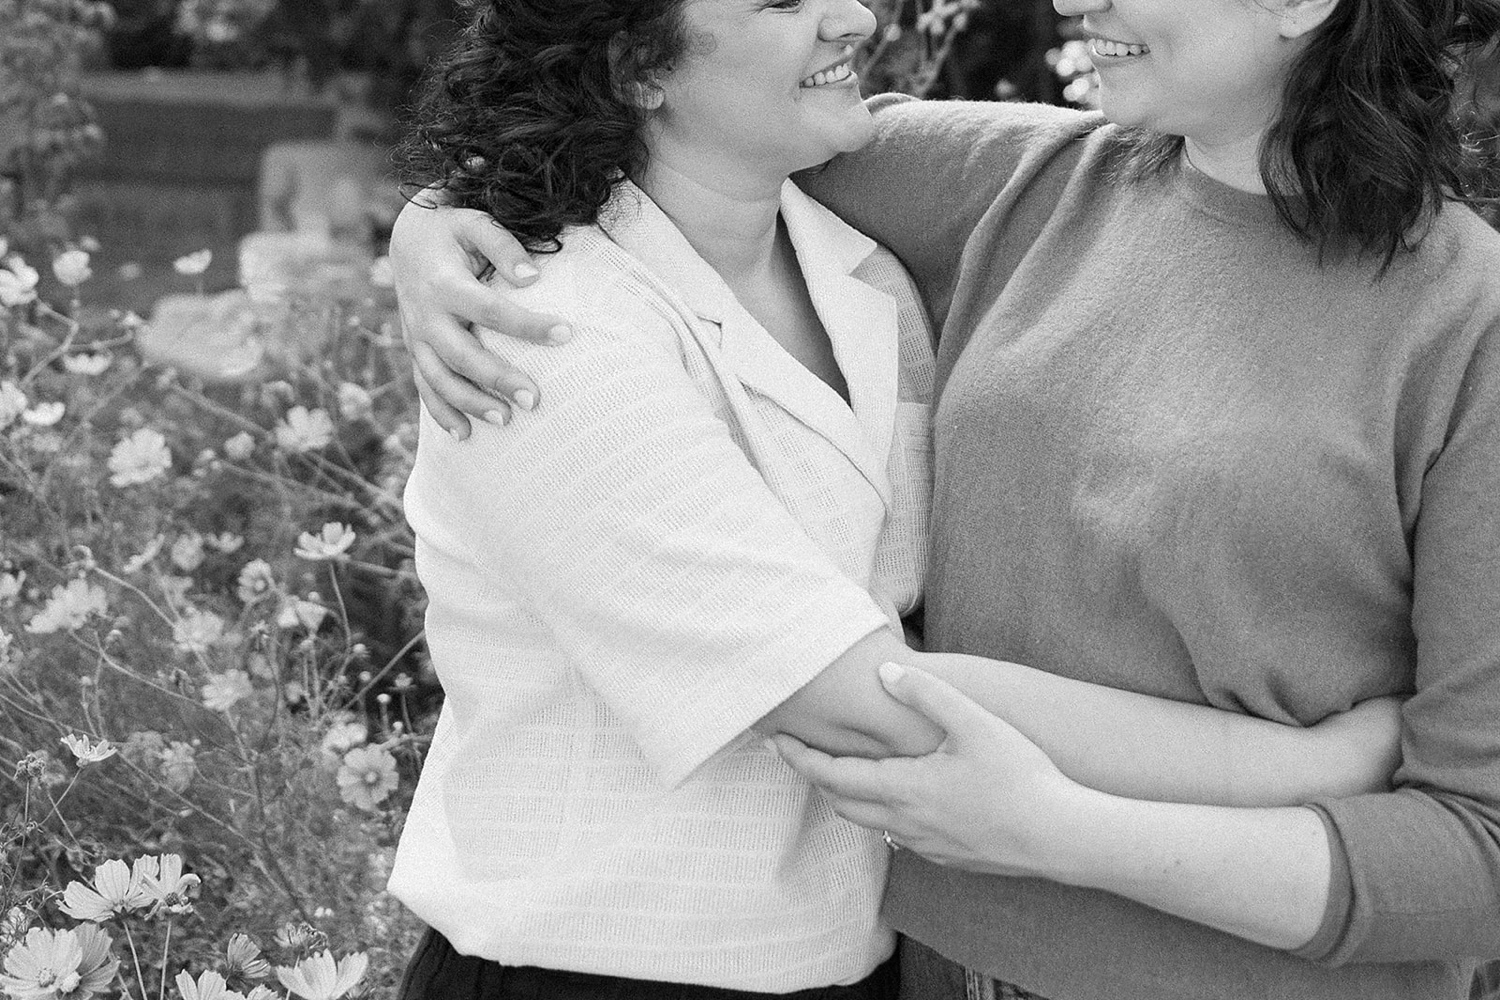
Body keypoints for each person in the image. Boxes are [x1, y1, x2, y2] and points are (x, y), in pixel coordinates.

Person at [387, 0, 1500, 997]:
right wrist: (436, 224)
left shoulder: (1462, 318)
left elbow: (1478, 852)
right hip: (915, 968)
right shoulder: (1028, 183)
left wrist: (1071, 833)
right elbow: (662, 135)